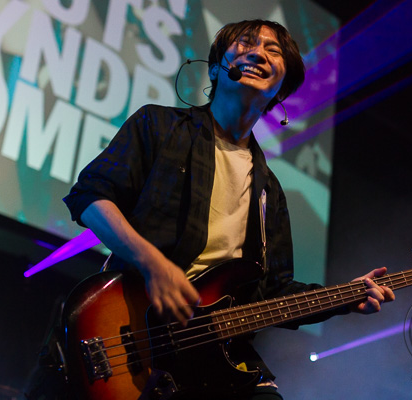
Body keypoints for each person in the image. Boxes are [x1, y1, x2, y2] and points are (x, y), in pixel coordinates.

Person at [63, 19, 394, 400]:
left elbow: (274, 291)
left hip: (214, 355)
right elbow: (89, 196)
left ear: (282, 87)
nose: (258, 53)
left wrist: (344, 298)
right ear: (217, 67)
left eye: (273, 50)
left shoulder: (270, 191)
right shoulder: (159, 125)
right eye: (246, 44)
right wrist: (153, 264)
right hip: (132, 329)